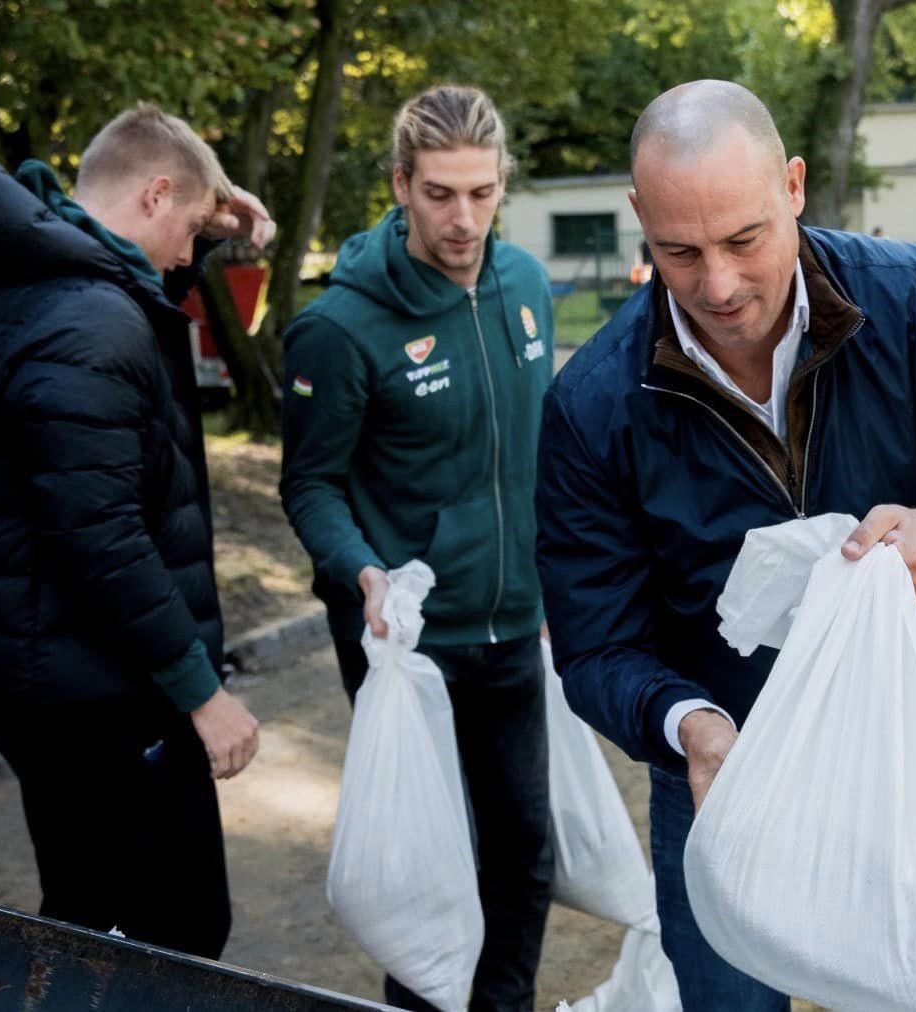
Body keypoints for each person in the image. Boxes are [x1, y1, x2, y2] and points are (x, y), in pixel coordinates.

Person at [534, 80, 916, 1010]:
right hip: (720, 782)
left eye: (744, 239)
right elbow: (596, 646)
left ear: (793, 185)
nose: (719, 285)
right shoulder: (592, 405)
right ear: (638, 219)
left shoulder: (906, 301)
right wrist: (690, 728)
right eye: (677, 251)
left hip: (892, 756)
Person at [0, 104, 274, 958]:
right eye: (191, 228)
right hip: (98, 691)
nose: (192, 254)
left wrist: (220, 226)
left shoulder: (8, 270)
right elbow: (102, 537)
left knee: (92, 911)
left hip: (29, 670)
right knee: (173, 933)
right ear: (155, 194)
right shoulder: (91, 322)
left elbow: (131, 292)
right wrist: (204, 694)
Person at [279, 84, 555, 1012]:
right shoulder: (340, 326)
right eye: (440, 193)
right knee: (436, 875)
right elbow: (309, 486)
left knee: (523, 852)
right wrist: (361, 571)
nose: (464, 218)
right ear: (401, 184)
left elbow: (536, 443)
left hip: (515, 626)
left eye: (481, 192)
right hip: (412, 647)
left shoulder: (524, 285)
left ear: (503, 183)